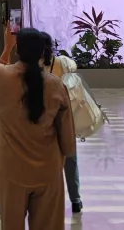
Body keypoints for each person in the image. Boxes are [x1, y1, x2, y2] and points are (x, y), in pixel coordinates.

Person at [0, 28, 75, 230]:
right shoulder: (56, 85)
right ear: (42, 52)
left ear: (18, 48)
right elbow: (68, 141)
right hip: (48, 169)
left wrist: (7, 46)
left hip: (11, 168)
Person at [41, 32, 82, 214]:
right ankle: (76, 199)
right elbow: (74, 67)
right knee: (70, 158)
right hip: (65, 116)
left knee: (46, 158)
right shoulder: (62, 62)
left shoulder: (35, 66)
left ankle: (48, 200)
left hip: (45, 119)